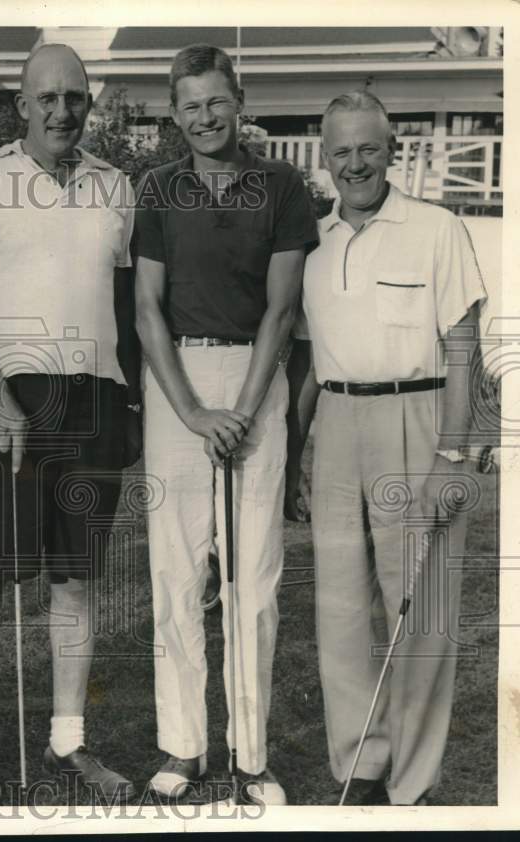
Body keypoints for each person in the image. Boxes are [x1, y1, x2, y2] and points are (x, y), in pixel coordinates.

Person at [0, 43, 140, 804]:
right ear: (22, 105)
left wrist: (132, 404)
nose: (61, 111)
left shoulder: (117, 186)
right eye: (46, 98)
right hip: (4, 398)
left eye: (74, 98)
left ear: (90, 104)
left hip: (95, 398)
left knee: (76, 579)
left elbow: (125, 307)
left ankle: (70, 744)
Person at [285, 91, 486, 806]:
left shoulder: (437, 228)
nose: (355, 164)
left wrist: (453, 456)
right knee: (338, 608)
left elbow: (463, 345)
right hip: (337, 429)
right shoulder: (314, 244)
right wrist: (290, 455)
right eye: (341, 152)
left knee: (420, 607)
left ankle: (413, 780)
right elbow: (306, 365)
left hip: (418, 422)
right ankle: (360, 765)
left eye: (369, 148)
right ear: (325, 158)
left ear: (392, 148)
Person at [133, 44, 319, 805]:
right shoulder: (158, 187)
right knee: (178, 574)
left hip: (255, 383)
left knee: (255, 582)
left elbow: (282, 310)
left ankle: (251, 756)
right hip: (179, 384)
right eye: (189, 105)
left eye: (216, 101)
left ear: (238, 102)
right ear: (174, 115)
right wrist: (193, 411)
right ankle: (183, 747)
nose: (204, 117)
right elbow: (146, 310)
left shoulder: (281, 185)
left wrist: (241, 409)